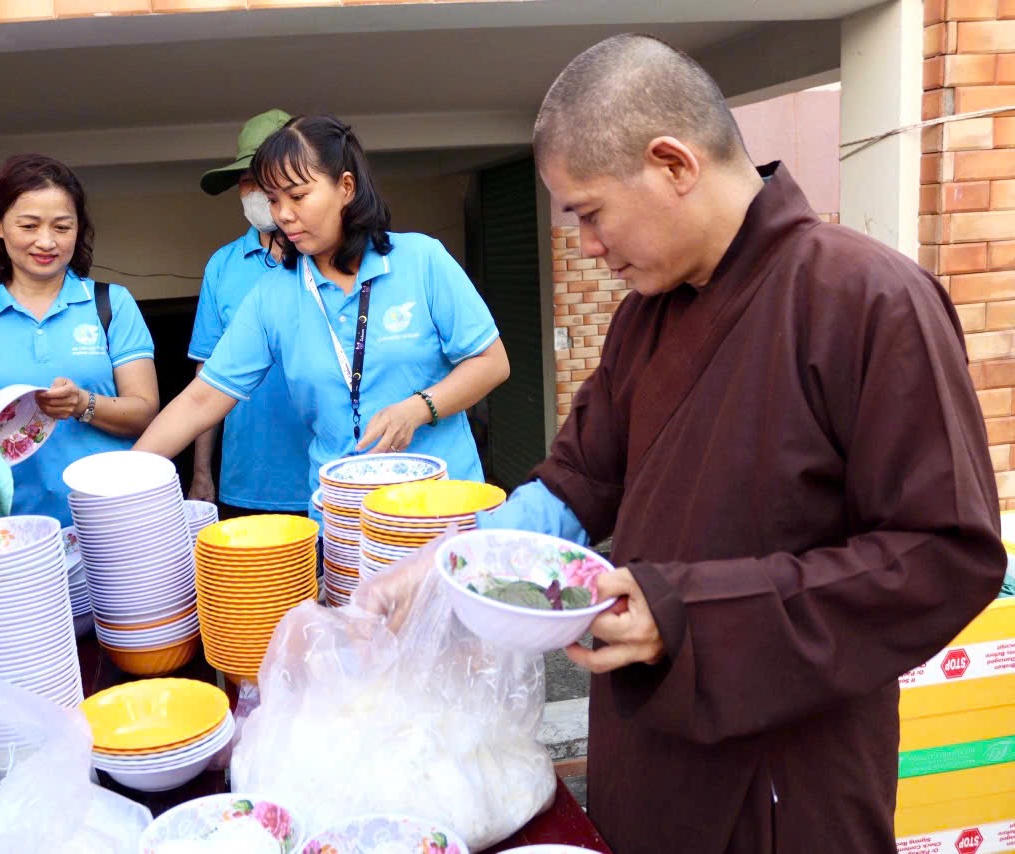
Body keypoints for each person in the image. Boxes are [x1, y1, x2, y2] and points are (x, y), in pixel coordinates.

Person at [356, 35, 1006, 854]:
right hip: (645, 733)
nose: (588, 245)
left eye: (590, 212)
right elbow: (579, 480)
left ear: (673, 164)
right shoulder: (644, 319)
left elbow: (944, 556)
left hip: (783, 772)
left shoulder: (868, 298)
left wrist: (689, 616)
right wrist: (448, 566)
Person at [135, 115, 510, 507]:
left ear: (345, 187)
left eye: (297, 196)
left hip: (440, 508)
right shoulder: (273, 296)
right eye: (273, 199)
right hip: (343, 517)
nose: (282, 214)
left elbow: (492, 362)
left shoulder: (421, 260)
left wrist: (419, 408)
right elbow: (201, 400)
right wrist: (121, 475)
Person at [0, 154, 160, 526]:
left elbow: (144, 412)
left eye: (62, 227)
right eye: (29, 225)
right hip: (15, 526)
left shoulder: (111, 304)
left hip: (113, 515)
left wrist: (82, 404)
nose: (46, 241)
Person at [188, 109, 313, 519]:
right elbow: (206, 378)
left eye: (269, 182)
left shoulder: (328, 258)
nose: (257, 192)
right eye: (247, 182)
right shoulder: (222, 266)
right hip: (246, 481)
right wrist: (202, 472)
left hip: (327, 475)